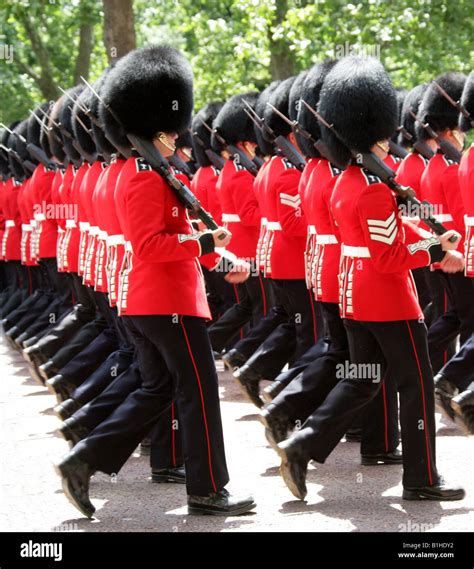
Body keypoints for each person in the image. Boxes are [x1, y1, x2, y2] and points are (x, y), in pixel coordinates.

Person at [55, 44, 255, 518]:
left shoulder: (153, 171)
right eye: (169, 131)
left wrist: (220, 258)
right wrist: (206, 247)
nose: (175, 137)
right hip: (166, 303)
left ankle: (84, 459)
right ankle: (207, 490)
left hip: (155, 300)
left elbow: (178, 237)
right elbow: (151, 246)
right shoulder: (144, 177)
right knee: (199, 391)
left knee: (157, 389)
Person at [275, 55, 465, 502]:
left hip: (353, 294)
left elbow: (393, 230)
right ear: (372, 135)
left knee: (362, 377)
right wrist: (436, 249)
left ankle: (303, 444)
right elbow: (390, 254)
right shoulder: (374, 188)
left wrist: (431, 233)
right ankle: (422, 478)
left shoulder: (347, 182)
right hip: (387, 299)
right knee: (416, 386)